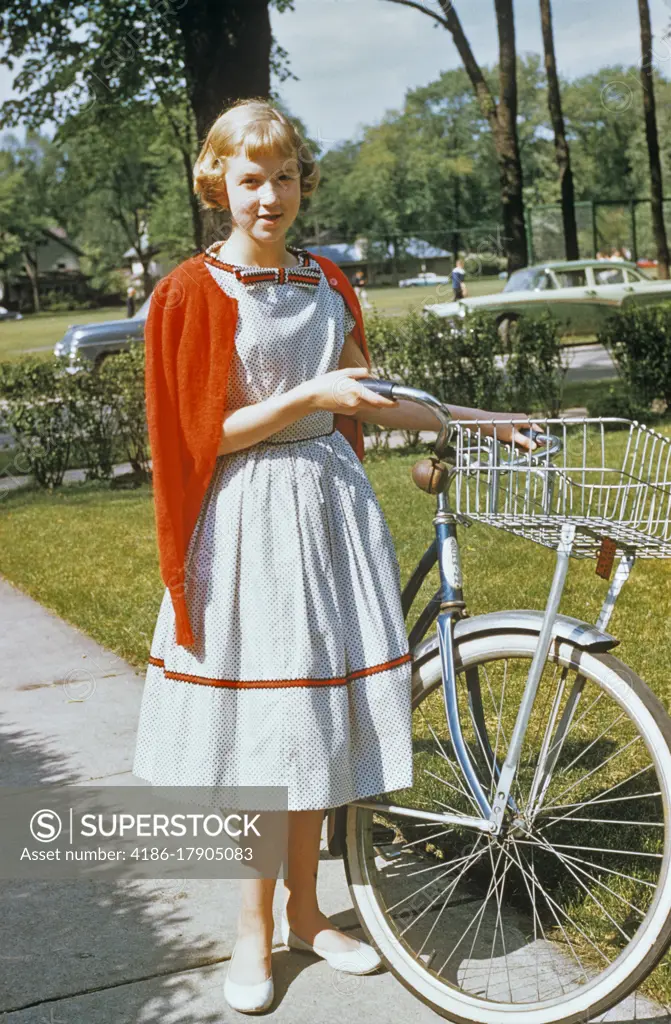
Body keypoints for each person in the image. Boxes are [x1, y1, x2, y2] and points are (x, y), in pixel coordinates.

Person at [131, 98, 537, 1015]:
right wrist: (308, 392)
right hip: (248, 523)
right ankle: (252, 927)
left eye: (283, 177)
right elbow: (199, 438)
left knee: (313, 718)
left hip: (330, 515)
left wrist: (474, 423)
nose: (268, 196)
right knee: (269, 732)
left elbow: (372, 400)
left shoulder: (325, 282)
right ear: (216, 186)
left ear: (300, 183)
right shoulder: (193, 291)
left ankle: (309, 913)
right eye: (249, 180)